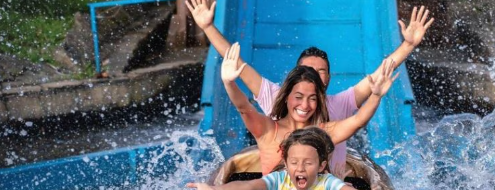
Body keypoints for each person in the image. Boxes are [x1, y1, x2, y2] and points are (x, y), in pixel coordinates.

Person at [186, 0, 434, 171]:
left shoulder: (339, 108)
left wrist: (408, 45)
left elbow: (378, 78)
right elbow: (236, 64)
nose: (313, 76)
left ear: (328, 79)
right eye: (307, 71)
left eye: (320, 71)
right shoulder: (275, 100)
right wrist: (208, 27)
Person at [221, 42, 397, 176]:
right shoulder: (268, 130)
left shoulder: (324, 133)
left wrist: (376, 96)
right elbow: (243, 107)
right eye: (298, 97)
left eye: (312, 99)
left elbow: (358, 121)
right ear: (286, 96)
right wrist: (229, 83)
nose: (305, 105)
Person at [183, 127, 419, 190]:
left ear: (322, 166)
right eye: (294, 162)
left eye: (308, 163)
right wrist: (213, 189)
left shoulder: (327, 184)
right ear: (286, 164)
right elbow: (246, 185)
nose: (300, 168)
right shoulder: (277, 181)